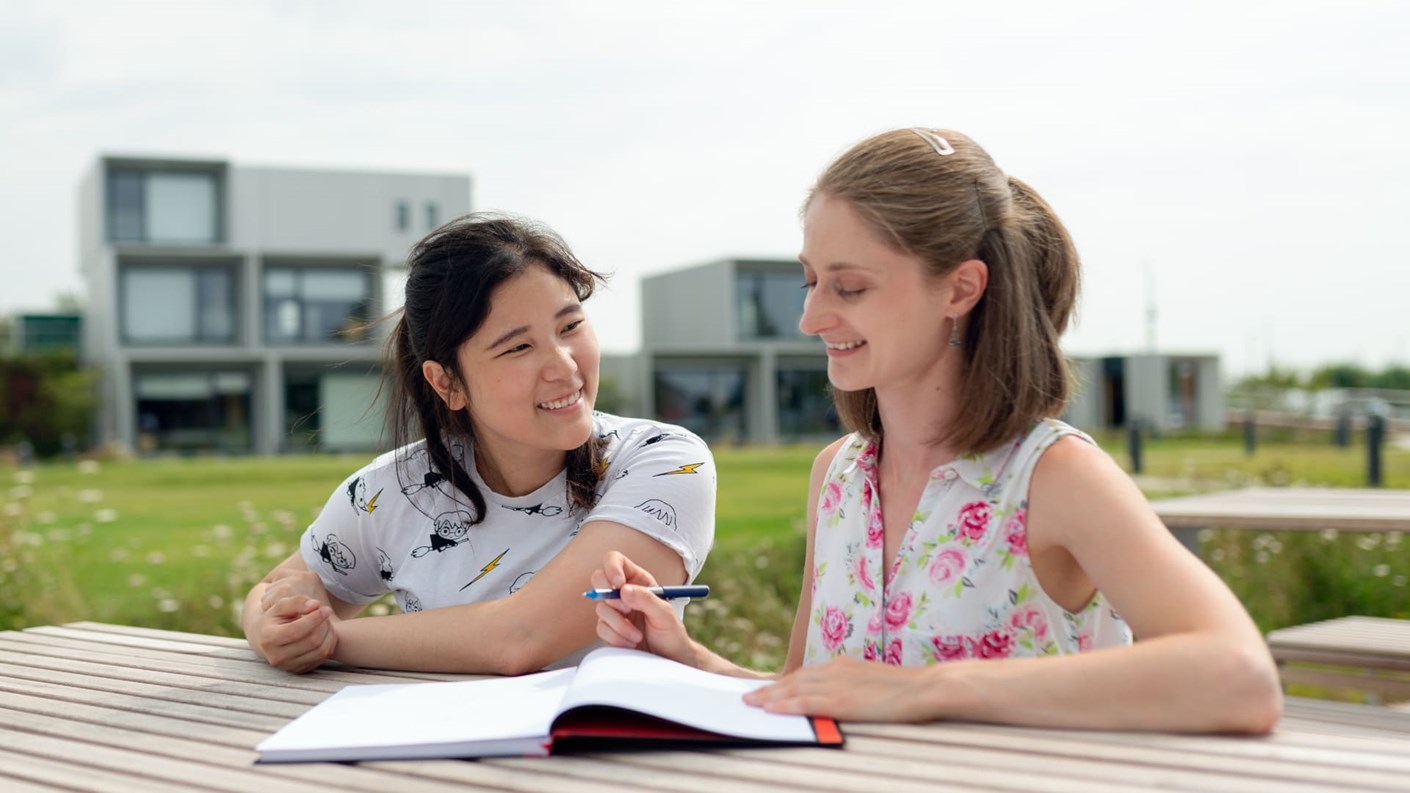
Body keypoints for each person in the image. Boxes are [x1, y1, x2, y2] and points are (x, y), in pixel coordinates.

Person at [593, 128, 1283, 733]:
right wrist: (684, 653)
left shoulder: (1055, 476)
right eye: (809, 281)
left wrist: (930, 690)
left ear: (959, 289)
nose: (810, 317)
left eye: (849, 286)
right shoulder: (836, 476)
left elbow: (1241, 676)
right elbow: (814, 695)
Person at [244, 213, 715, 674]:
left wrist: (330, 640)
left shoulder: (666, 461)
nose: (565, 367)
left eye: (570, 327)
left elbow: (522, 638)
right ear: (446, 383)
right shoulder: (391, 491)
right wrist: (276, 626)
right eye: (518, 347)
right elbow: (275, 590)